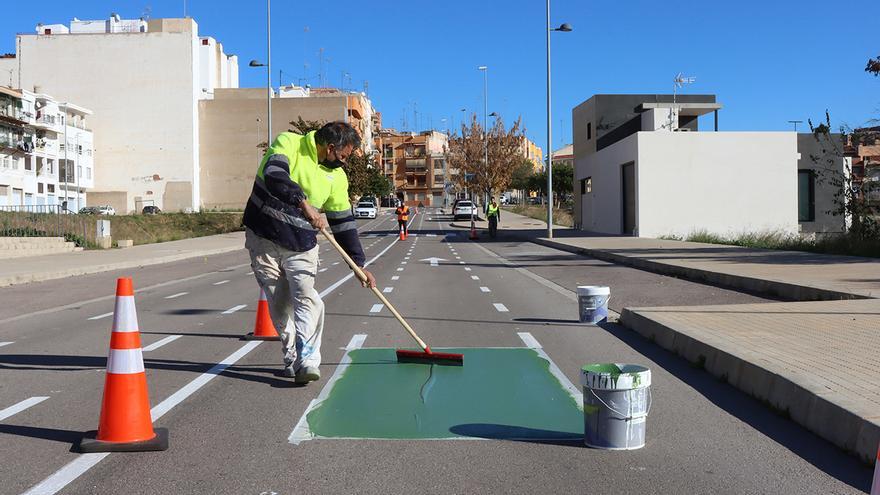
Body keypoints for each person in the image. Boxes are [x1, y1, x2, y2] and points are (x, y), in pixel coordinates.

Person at [242, 121, 376, 384]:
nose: (345, 162)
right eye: (344, 156)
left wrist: (358, 265)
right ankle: (291, 353)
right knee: (278, 301)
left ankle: (309, 358)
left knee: (305, 296)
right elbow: (275, 174)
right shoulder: (289, 143)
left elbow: (344, 223)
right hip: (263, 237)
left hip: (301, 243)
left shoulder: (337, 177)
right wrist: (303, 203)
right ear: (330, 147)